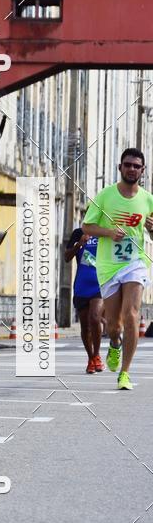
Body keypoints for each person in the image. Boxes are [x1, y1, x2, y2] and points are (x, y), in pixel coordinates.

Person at [82, 148, 153, 390]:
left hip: (135, 262)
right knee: (114, 325)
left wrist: (152, 228)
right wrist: (110, 232)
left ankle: (125, 373)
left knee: (132, 314)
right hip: (108, 265)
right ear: (120, 167)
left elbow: (151, 231)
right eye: (128, 165)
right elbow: (87, 226)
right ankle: (114, 343)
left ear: (142, 171)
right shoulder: (104, 196)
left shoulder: (147, 199)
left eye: (136, 166)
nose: (132, 169)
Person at [64, 229, 104, 373]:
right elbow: (66, 257)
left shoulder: (106, 232)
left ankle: (97, 354)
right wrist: (79, 245)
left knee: (95, 317)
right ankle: (91, 358)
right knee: (85, 326)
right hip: (82, 285)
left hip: (100, 283)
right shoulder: (78, 233)